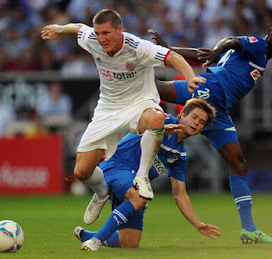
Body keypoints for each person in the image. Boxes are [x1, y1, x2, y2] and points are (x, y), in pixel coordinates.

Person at [41, 9, 205, 225]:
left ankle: (142, 176)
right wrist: (60, 29)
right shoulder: (93, 39)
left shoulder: (138, 48)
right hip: (107, 110)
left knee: (157, 118)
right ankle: (101, 193)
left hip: (139, 104)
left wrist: (190, 78)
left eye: (106, 33)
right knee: (81, 171)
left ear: (120, 30)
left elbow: (173, 56)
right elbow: (80, 28)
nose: (101, 39)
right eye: (98, 33)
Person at [149, 19, 272, 244]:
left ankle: (249, 229)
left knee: (239, 163)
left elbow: (203, 54)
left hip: (220, 111)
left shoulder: (260, 56)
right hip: (208, 90)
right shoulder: (257, 45)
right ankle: (119, 85)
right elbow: (232, 41)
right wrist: (217, 51)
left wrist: (170, 49)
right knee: (155, 89)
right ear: (270, 32)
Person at [73, 98, 220, 251]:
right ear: (182, 114)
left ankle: (87, 235)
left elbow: (180, 195)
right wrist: (159, 128)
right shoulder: (163, 119)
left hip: (134, 183)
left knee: (130, 243)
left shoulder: (180, 156)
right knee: (140, 197)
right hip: (116, 166)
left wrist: (198, 224)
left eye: (202, 122)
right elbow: (144, 121)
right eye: (194, 117)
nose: (197, 122)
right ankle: (96, 240)